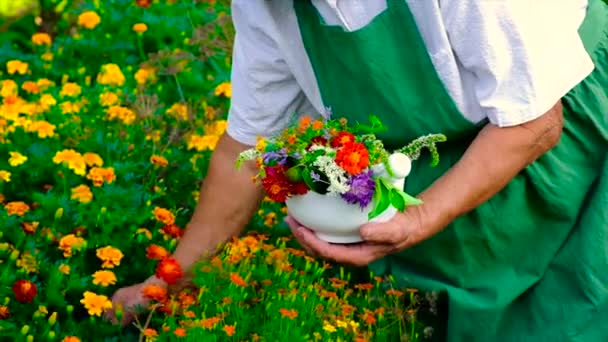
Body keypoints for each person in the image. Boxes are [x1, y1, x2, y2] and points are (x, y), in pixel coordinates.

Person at [109, 0, 608, 340]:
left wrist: (419, 218)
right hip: (449, 155)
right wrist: (170, 284)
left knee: (569, 309)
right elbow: (248, 148)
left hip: (563, 137)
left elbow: (535, 123)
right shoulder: (268, 5)